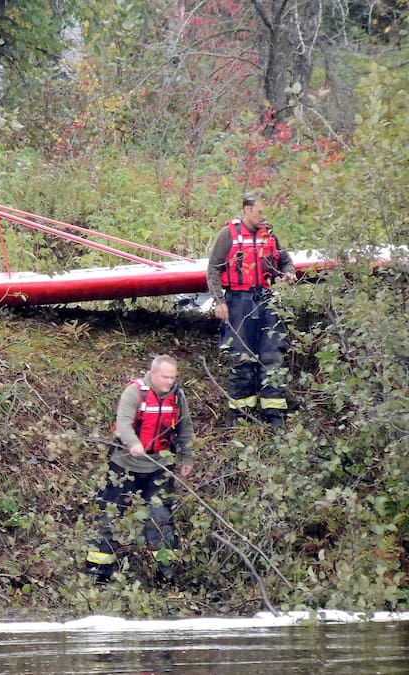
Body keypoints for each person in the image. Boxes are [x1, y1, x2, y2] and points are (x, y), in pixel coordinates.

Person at [85, 355, 194, 583]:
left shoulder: (177, 396)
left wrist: (187, 457)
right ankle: (98, 570)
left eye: (173, 377)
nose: (169, 382)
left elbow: (185, 428)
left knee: (160, 518)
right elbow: (123, 423)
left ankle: (166, 571)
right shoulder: (134, 392)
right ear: (153, 374)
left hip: (159, 466)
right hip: (125, 465)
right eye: (165, 377)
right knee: (111, 516)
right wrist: (133, 443)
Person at [206, 190, 297, 427]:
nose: (263, 216)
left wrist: (289, 272)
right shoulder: (228, 235)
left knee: (273, 354)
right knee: (240, 357)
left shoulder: (270, 235)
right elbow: (213, 270)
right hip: (238, 301)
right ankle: (240, 414)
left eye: (266, 211)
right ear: (247, 210)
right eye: (259, 211)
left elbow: (285, 260)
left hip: (266, 299)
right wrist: (219, 301)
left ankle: (274, 413)